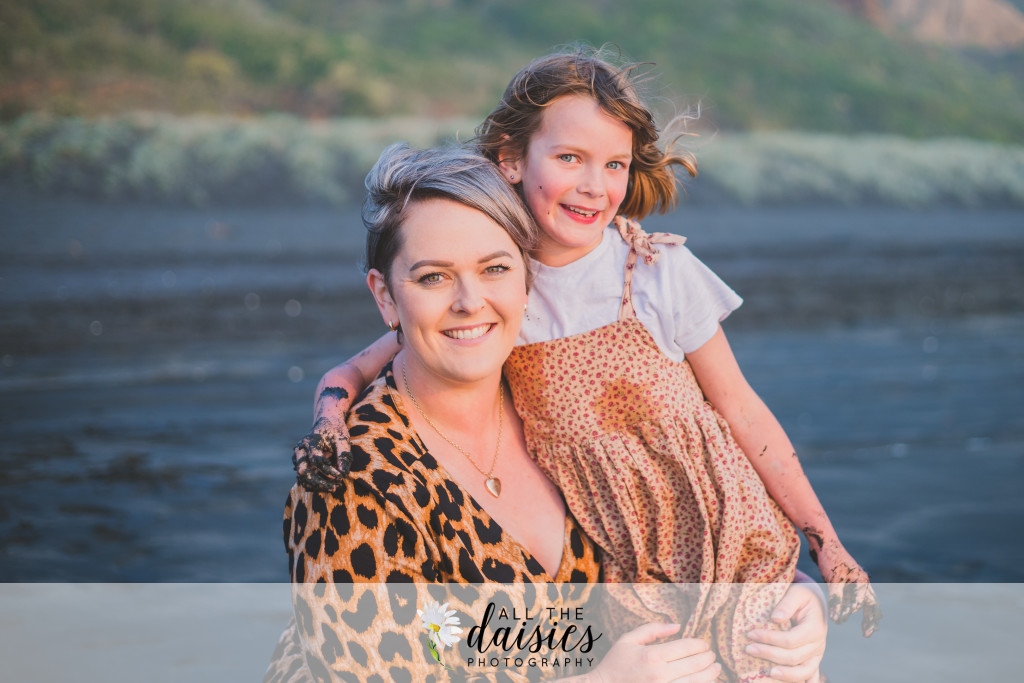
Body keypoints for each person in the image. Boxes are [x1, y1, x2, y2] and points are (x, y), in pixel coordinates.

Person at [291, 48, 854, 680]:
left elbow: (714, 449)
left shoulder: (574, 355)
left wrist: (798, 584)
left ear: (519, 277)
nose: (472, 301)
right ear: (384, 294)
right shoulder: (367, 483)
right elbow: (407, 651)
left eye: (495, 268)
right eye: (434, 276)